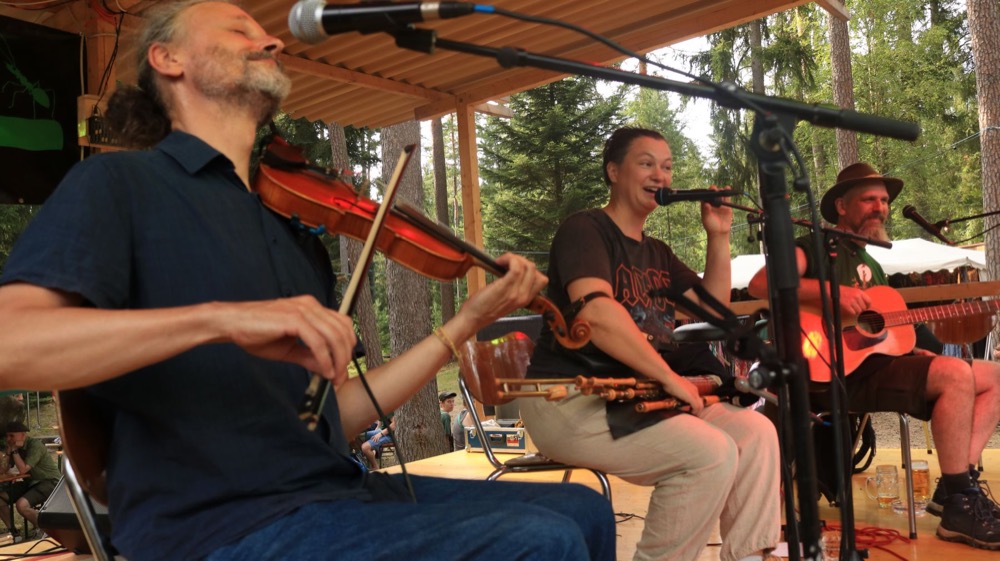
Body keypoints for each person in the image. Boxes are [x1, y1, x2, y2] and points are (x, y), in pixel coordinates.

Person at [0, 3, 616, 561]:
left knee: (581, 508)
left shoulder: (291, 233)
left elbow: (333, 416)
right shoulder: (119, 185)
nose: (272, 41)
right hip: (213, 527)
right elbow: (11, 343)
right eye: (239, 29)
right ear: (168, 59)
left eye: (266, 35)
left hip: (333, 496)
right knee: (539, 540)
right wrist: (220, 319)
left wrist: (465, 324)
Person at [519, 126, 782, 561]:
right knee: (710, 453)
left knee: (756, 433)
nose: (660, 175)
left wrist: (718, 235)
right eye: (646, 164)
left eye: (667, 167)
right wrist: (670, 377)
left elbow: (712, 309)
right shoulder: (585, 229)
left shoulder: (658, 253)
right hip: (571, 398)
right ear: (613, 171)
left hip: (639, 397)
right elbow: (596, 315)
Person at [748, 162, 1000, 550]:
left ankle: (956, 486)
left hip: (875, 367)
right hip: (829, 374)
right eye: (869, 199)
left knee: (994, 376)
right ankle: (958, 506)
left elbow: (883, 329)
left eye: (883, 201)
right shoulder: (815, 246)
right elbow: (761, 283)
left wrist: (910, 347)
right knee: (954, 374)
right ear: (842, 206)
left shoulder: (873, 265)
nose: (879, 208)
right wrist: (831, 292)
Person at [0, 421, 60, 537]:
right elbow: (3, 470)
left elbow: (23, 469)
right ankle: (14, 532)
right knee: (0, 497)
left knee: (21, 505)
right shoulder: (14, 447)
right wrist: (8, 453)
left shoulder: (35, 446)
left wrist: (14, 451)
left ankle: (46, 529)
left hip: (49, 482)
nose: (8, 439)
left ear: (23, 435)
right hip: (31, 482)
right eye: (7, 436)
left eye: (12, 436)